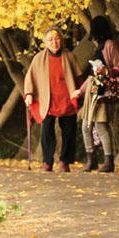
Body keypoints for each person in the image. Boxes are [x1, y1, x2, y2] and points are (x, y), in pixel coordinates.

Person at [23, 27, 81, 172]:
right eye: (50, 40)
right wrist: (29, 94)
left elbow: (79, 77)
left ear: (61, 40)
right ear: (45, 43)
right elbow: (30, 78)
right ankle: (47, 161)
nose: (54, 42)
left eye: (56, 38)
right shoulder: (38, 58)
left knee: (69, 132)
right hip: (47, 100)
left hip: (66, 99)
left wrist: (79, 91)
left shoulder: (70, 56)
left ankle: (65, 162)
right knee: (46, 132)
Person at [72, 15, 119, 173]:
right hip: (91, 91)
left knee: (101, 125)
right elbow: (90, 77)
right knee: (85, 125)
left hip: (103, 90)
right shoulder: (98, 47)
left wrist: (106, 71)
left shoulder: (110, 45)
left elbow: (118, 67)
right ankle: (92, 160)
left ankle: (109, 161)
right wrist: (80, 91)